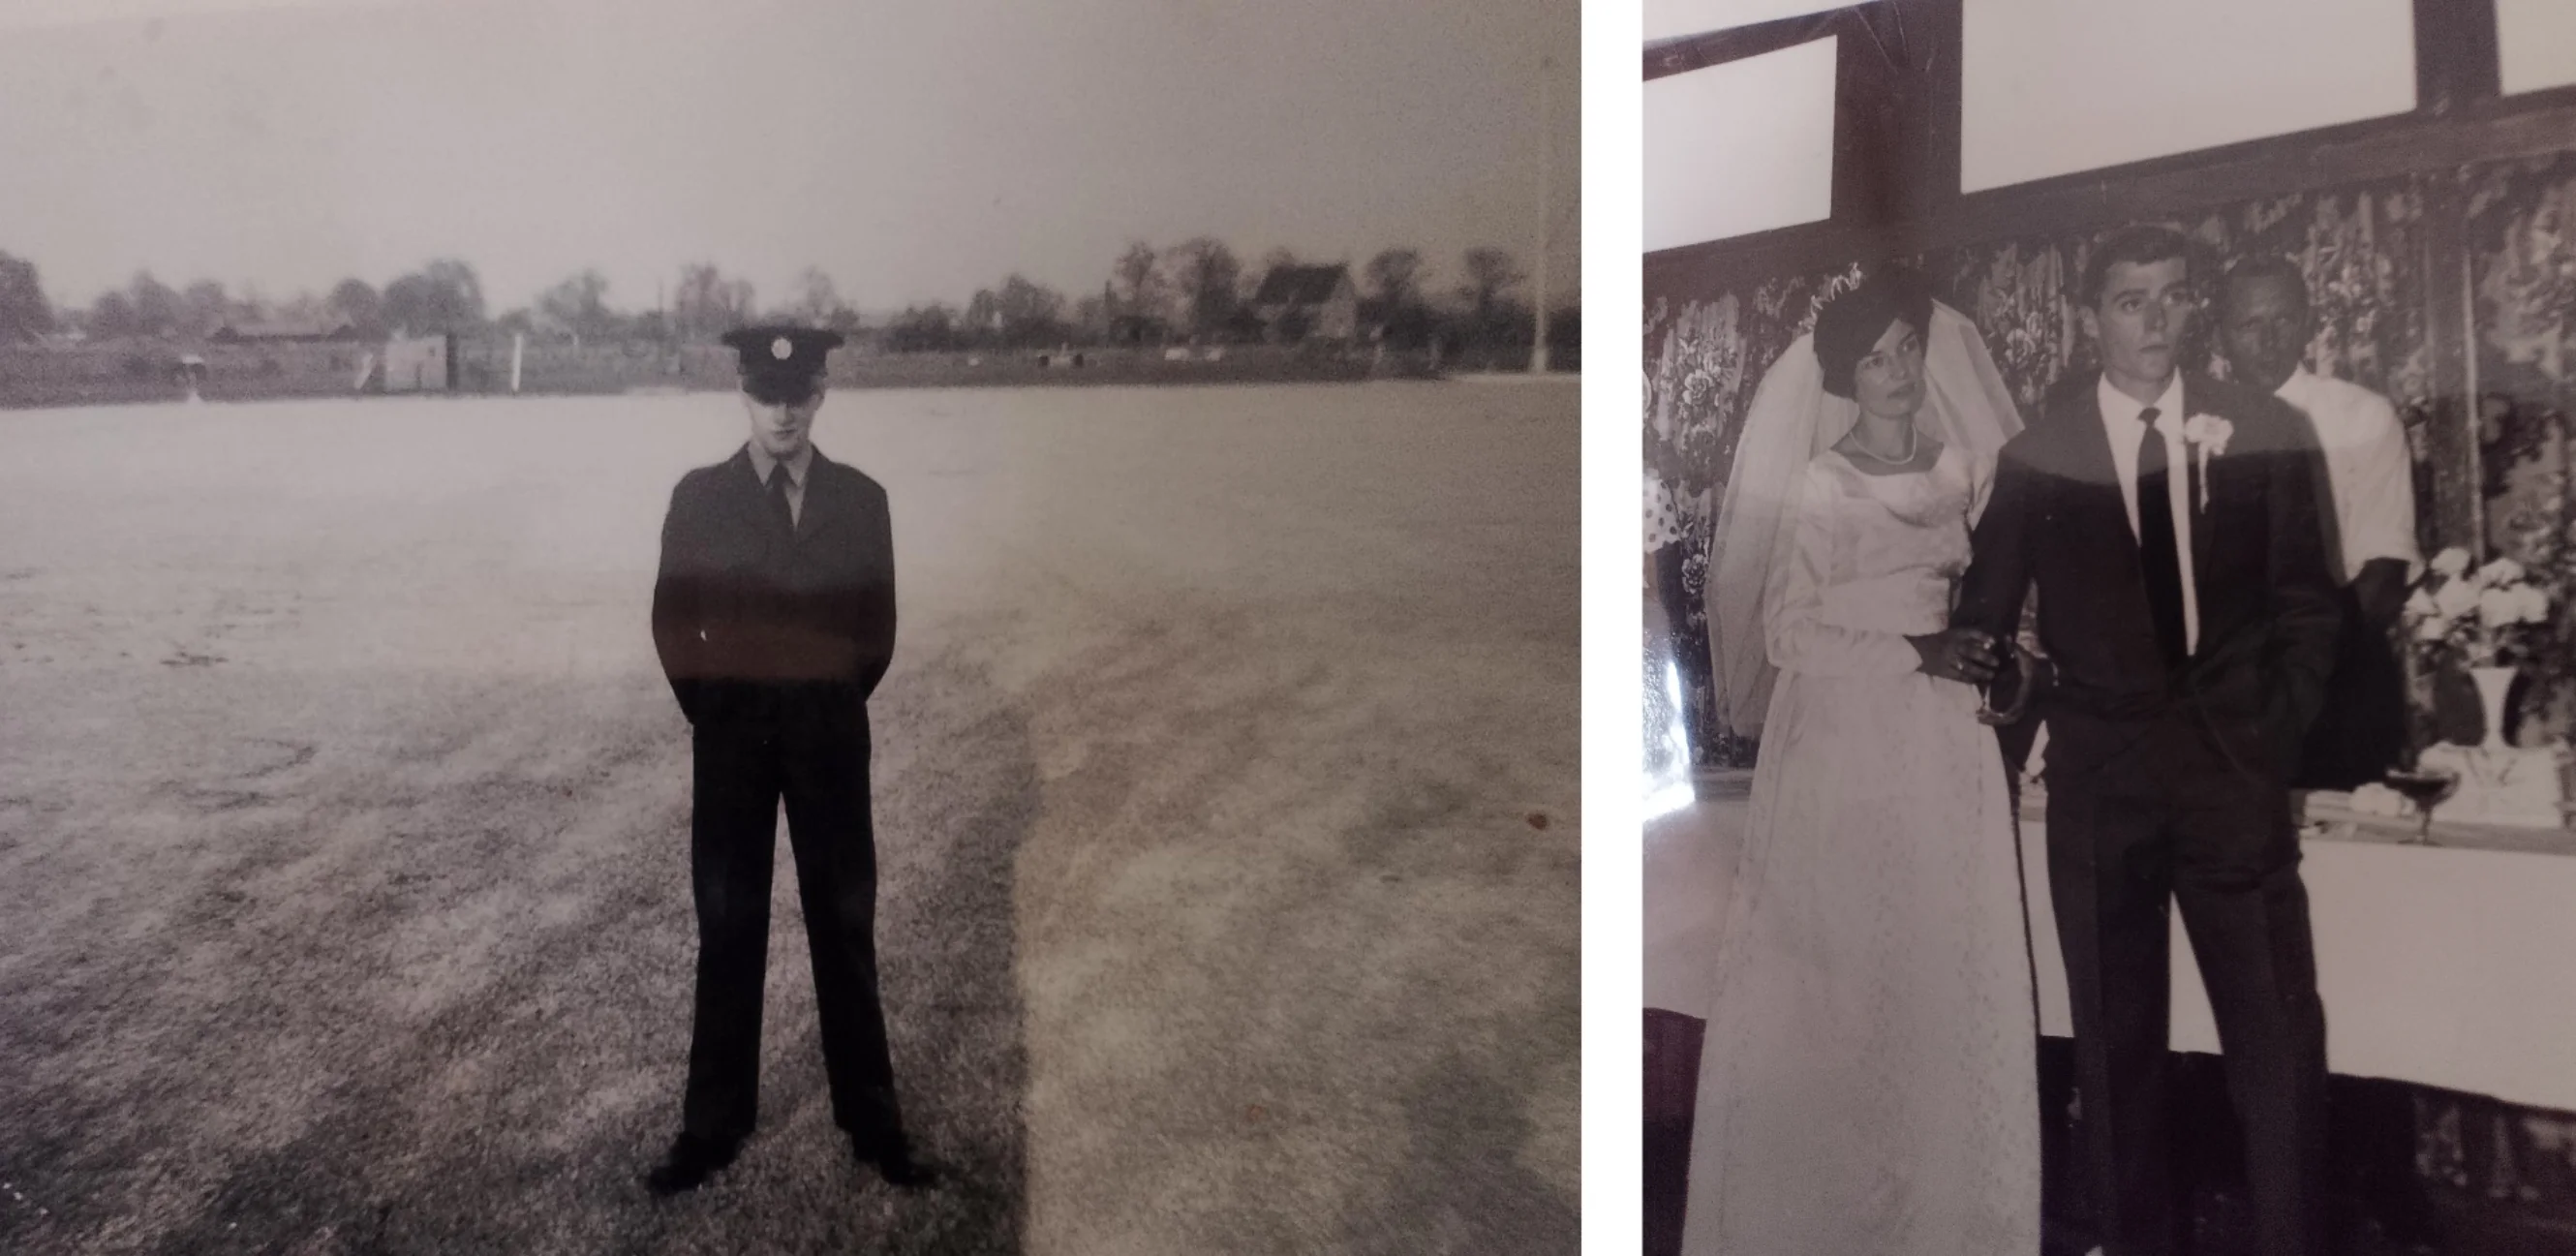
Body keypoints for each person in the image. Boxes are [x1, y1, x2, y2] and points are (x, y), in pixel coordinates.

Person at [1956, 226, 2340, 1256]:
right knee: (2114, 1060)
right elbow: (1983, 618)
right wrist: (1997, 676)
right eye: (2131, 300)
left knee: (2276, 1047)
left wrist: (2272, 737)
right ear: (2090, 318)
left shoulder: (2264, 425)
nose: (2155, 319)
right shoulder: (2037, 456)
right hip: (2100, 792)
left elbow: (2311, 605)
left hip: (2234, 788)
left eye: (2172, 296)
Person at [1687, 265, 2037, 1254]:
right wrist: (1914, 651)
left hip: (1943, 739)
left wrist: (1994, 657)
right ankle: (1827, 1211)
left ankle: (1941, 1210)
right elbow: (1789, 631)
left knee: (1936, 955)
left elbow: (1990, 601)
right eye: (1875, 358)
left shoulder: (1964, 471)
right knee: (1840, 969)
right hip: (1842, 736)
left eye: (1907, 348)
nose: (1897, 370)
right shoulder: (1819, 482)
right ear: (1845, 375)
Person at [643, 324, 932, 1195]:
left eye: (798, 394)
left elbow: (876, 630)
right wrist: (716, 710)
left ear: (820, 395)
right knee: (728, 926)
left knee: (844, 927)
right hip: (731, 747)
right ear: (742, 392)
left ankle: (873, 1121)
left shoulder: (862, 500)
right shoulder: (700, 497)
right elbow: (671, 621)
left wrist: (828, 702)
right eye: (767, 395)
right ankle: (711, 1125)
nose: (782, 412)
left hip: (828, 743)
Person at [2218, 255, 2421, 790]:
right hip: (2220, 695)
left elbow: (2383, 575)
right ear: (2221, 334)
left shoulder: (2362, 416)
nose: (2268, 341)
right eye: (2249, 325)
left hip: (2336, 682)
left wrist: (2301, 677)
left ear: (2307, 322)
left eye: (2283, 320)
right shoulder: (2196, 425)